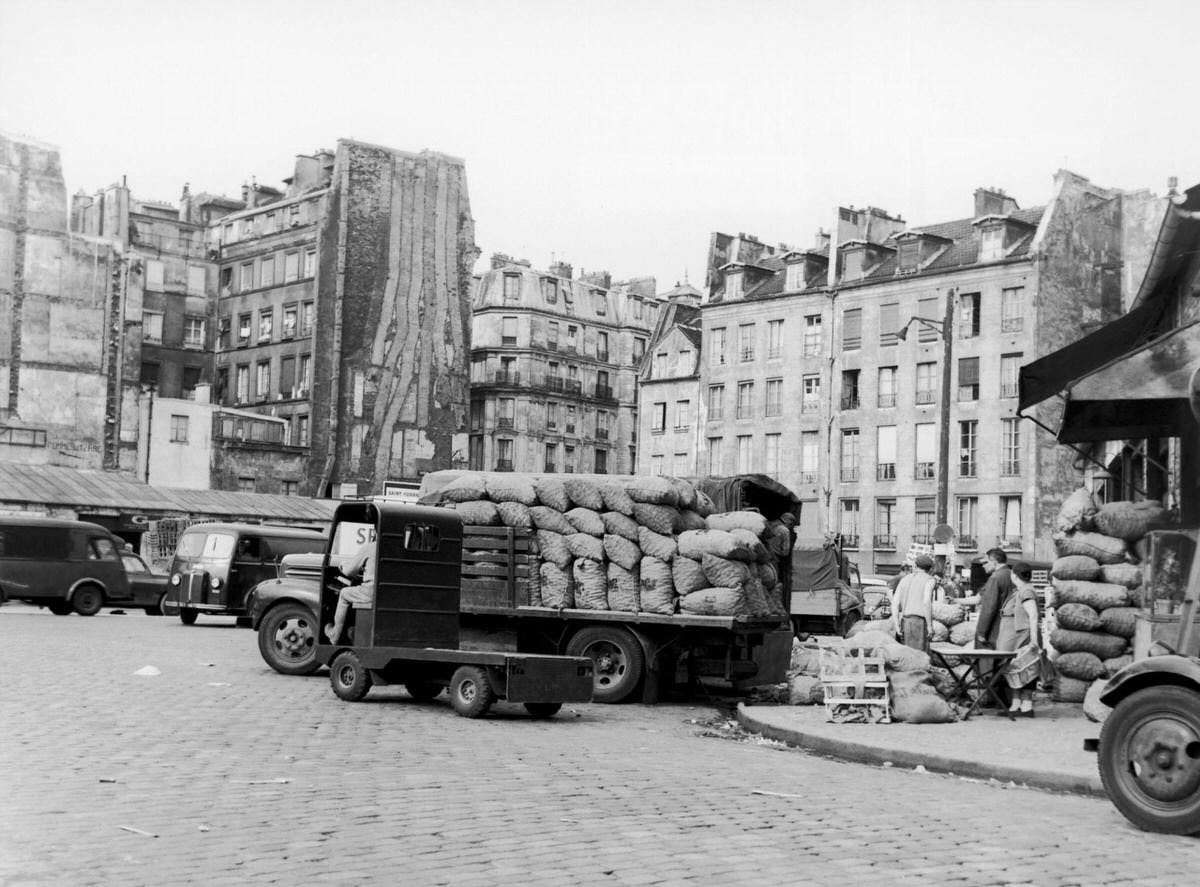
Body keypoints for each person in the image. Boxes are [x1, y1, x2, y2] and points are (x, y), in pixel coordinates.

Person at [999, 562, 1041, 717]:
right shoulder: (1020, 590)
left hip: (1026, 636)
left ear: (1014, 575)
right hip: (1018, 636)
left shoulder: (1027, 591)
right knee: (1015, 670)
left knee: (1027, 670)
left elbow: (1033, 615)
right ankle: (1016, 704)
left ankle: (1027, 706)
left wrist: (1034, 640)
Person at [974, 548, 1015, 708]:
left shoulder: (995, 578)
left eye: (985, 562)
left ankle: (992, 699)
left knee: (989, 665)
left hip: (994, 629)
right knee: (1004, 664)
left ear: (994, 561)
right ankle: (1005, 699)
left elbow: (989, 607)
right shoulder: (1011, 575)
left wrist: (982, 632)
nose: (983, 566)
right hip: (1008, 628)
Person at [324, 538, 377, 646]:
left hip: (370, 592)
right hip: (383, 593)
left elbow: (349, 571)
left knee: (344, 593)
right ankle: (353, 630)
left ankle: (335, 635)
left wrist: (343, 565)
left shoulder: (370, 547)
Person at [891, 555, 936, 652]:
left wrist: (896, 624)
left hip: (904, 621)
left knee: (907, 656)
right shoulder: (930, 580)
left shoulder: (904, 579)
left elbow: (894, 603)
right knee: (919, 657)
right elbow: (926, 602)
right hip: (919, 622)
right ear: (930, 569)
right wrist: (929, 626)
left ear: (915, 566)